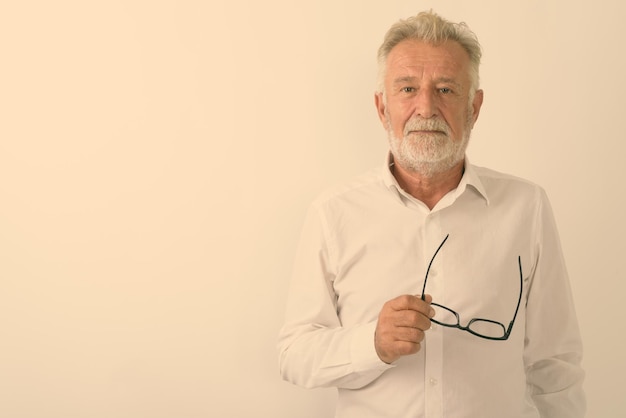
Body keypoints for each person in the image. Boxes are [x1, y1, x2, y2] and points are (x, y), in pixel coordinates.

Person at [277, 10, 585, 418]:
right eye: (407, 88)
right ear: (382, 108)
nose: (425, 107)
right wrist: (372, 343)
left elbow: (555, 367)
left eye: (445, 89)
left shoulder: (527, 208)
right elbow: (294, 354)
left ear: (473, 107)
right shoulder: (332, 214)